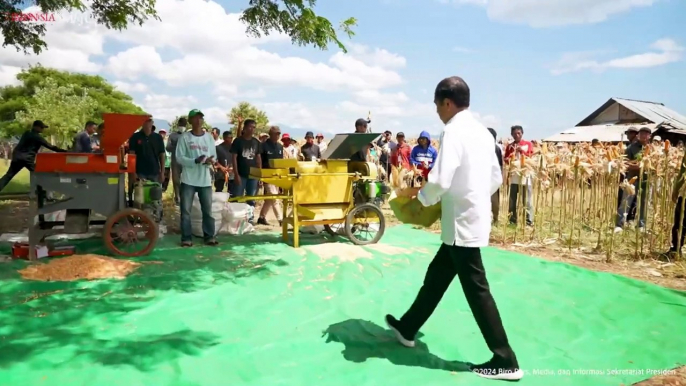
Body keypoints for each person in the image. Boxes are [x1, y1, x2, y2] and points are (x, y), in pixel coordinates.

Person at [384, 76, 522, 381]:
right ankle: (407, 327)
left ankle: (505, 359)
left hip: (461, 223)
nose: (436, 111)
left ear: (447, 102)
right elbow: (496, 178)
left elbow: (440, 180)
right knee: (436, 277)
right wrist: (473, 196)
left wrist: (420, 200)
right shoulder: (483, 133)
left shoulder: (454, 132)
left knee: (476, 289)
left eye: (436, 105)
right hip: (470, 217)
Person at [175, 109, 218, 247]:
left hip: (205, 180)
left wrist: (209, 161)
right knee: (186, 211)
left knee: (207, 210)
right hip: (188, 180)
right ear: (190, 121)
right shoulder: (185, 138)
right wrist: (195, 161)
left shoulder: (209, 138)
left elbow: (214, 156)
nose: (199, 120)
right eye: (195, 118)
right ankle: (186, 238)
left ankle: (209, 236)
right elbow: (179, 158)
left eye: (201, 118)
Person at [0, 120, 67, 192]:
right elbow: (50, 147)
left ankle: (41, 192)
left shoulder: (26, 133)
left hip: (17, 157)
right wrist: (65, 152)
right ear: (36, 127)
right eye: (41, 127)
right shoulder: (37, 137)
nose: (42, 129)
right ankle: (44, 194)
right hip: (27, 159)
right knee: (41, 175)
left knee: (8, 175)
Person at [615, 126, 650, 232]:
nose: (644, 136)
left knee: (644, 202)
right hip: (632, 179)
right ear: (638, 135)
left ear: (649, 136)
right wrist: (638, 166)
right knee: (626, 201)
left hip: (646, 179)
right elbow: (624, 163)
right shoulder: (631, 148)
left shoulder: (652, 148)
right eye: (642, 133)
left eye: (646, 134)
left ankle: (641, 225)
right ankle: (619, 225)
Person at [231, 119, 262, 224]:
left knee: (251, 198)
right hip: (241, 174)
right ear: (244, 128)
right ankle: (237, 219)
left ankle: (250, 219)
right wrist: (236, 174)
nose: (252, 129)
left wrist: (260, 175)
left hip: (253, 176)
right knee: (238, 197)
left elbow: (258, 159)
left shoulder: (256, 142)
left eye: (254, 127)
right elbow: (234, 158)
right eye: (250, 127)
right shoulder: (238, 141)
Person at [127, 119, 166, 203]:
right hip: (140, 172)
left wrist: (162, 172)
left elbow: (162, 155)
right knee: (140, 199)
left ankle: (155, 214)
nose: (147, 124)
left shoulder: (158, 137)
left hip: (155, 172)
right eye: (145, 121)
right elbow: (131, 155)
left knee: (155, 198)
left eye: (149, 122)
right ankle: (140, 214)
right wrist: (133, 173)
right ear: (142, 123)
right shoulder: (135, 137)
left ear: (152, 123)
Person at [504, 125, 534, 226]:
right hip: (514, 177)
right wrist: (512, 154)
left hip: (526, 176)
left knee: (527, 201)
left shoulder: (528, 144)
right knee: (512, 200)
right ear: (511, 134)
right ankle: (512, 220)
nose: (517, 135)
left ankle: (528, 222)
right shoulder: (510, 146)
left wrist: (522, 151)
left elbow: (531, 156)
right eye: (515, 133)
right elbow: (506, 159)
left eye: (519, 133)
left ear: (522, 133)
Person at [257, 126, 283, 226]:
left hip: (277, 176)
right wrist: (260, 176)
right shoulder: (263, 146)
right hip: (266, 175)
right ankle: (281, 220)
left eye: (278, 134)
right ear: (271, 134)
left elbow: (280, 163)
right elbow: (259, 161)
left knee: (269, 198)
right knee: (274, 197)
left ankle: (261, 217)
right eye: (276, 133)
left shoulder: (280, 147)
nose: (277, 136)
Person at [167, 117, 187, 205]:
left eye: (183, 125)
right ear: (178, 125)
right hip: (175, 161)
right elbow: (167, 147)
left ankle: (185, 197)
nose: (182, 126)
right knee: (176, 180)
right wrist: (176, 146)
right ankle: (177, 197)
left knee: (186, 180)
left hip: (186, 161)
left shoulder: (189, 136)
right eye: (180, 125)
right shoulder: (172, 136)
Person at [488, 128, 503, 224]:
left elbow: (500, 164)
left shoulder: (495, 148)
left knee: (494, 199)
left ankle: (495, 218)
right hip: (487, 177)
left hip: (492, 177)